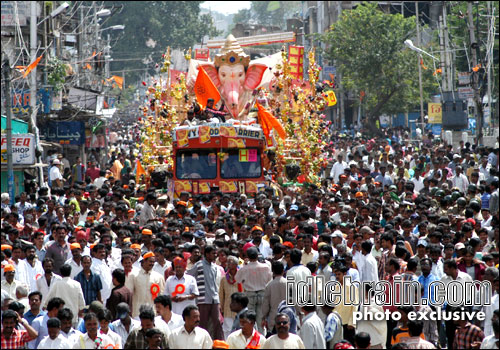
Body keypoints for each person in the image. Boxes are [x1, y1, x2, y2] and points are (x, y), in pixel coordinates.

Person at [187, 245, 224, 340]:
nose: (215, 255)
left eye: (216, 253)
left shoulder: (215, 267)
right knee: (202, 323)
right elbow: (189, 276)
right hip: (203, 299)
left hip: (214, 299)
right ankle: (200, 342)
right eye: (213, 253)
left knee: (217, 322)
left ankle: (219, 343)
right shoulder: (199, 264)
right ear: (207, 254)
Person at [235, 246, 272, 334]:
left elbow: (237, 279)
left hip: (250, 294)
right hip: (262, 294)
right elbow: (269, 279)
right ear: (257, 255)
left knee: (249, 319)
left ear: (247, 256)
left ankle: (250, 338)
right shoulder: (266, 267)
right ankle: (262, 340)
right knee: (260, 321)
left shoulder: (244, 269)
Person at [128, 252, 165, 318]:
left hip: (153, 312)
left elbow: (161, 296)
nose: (152, 264)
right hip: (137, 312)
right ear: (144, 261)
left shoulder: (158, 277)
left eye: (153, 262)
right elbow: (129, 294)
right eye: (150, 261)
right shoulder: (133, 275)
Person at [261, 261, 287, 335]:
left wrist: (263, 318)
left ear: (273, 272)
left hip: (274, 317)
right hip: (288, 316)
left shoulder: (269, 285)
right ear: (283, 271)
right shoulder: (290, 283)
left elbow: (265, 304)